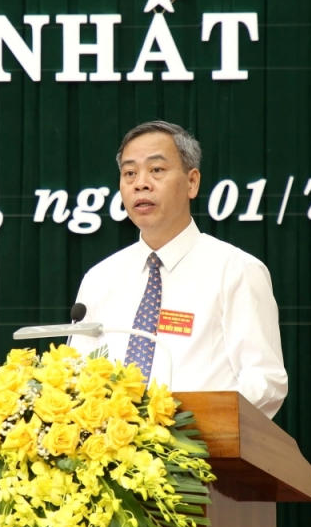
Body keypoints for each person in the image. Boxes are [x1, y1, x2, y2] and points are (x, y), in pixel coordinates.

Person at [70, 121, 288, 418]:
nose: (141, 183)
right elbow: (76, 374)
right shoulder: (99, 278)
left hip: (197, 443)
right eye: (130, 173)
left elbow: (265, 381)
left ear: (192, 182)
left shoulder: (236, 270)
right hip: (112, 442)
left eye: (156, 170)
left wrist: (186, 424)